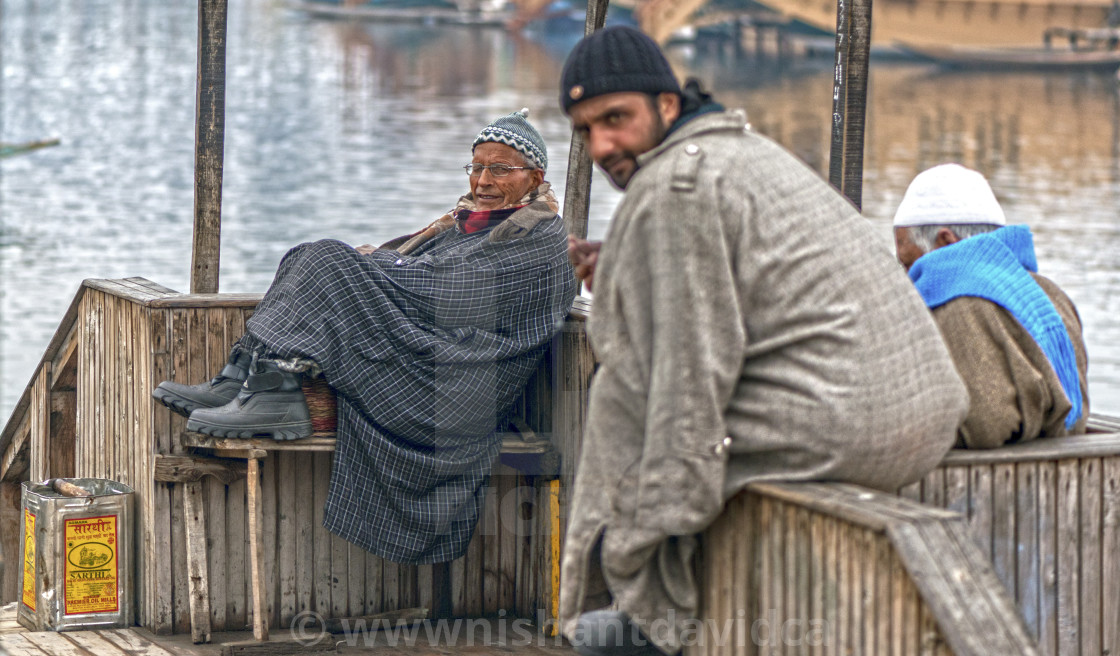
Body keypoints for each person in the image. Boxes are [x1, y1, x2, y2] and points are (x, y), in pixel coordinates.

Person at [557, 26, 969, 656]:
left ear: (667, 106)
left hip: (841, 426)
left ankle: (643, 622)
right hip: (922, 422)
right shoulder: (745, 152)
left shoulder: (674, 186)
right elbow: (734, 278)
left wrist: (638, 551)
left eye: (616, 118)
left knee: (626, 398)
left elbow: (688, 382)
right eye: (585, 130)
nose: (603, 143)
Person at [152, 109, 578, 564]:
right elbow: (422, 276)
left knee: (330, 259)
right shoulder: (466, 224)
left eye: (499, 168)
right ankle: (240, 380)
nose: (483, 180)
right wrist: (380, 266)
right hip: (428, 354)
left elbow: (449, 293)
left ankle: (277, 392)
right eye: (476, 167)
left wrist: (374, 267)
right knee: (308, 255)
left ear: (535, 176)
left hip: (456, 386)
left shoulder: (542, 240)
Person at [893, 163, 1089, 449]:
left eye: (910, 264)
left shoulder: (958, 306)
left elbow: (985, 425)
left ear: (946, 241)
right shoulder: (1052, 294)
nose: (909, 280)